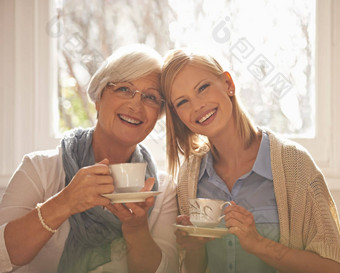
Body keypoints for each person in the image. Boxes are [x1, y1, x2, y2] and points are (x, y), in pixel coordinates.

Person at [0, 44, 178, 273]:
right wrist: (65, 202)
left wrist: (136, 229)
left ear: (158, 116)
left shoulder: (162, 191)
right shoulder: (38, 169)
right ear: (98, 99)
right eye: (124, 89)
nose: (135, 104)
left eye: (150, 97)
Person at [160, 47, 340, 273]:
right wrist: (194, 248)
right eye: (182, 102)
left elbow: (332, 267)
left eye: (203, 88)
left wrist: (259, 244)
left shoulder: (295, 165)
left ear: (228, 84)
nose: (197, 106)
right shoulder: (189, 176)